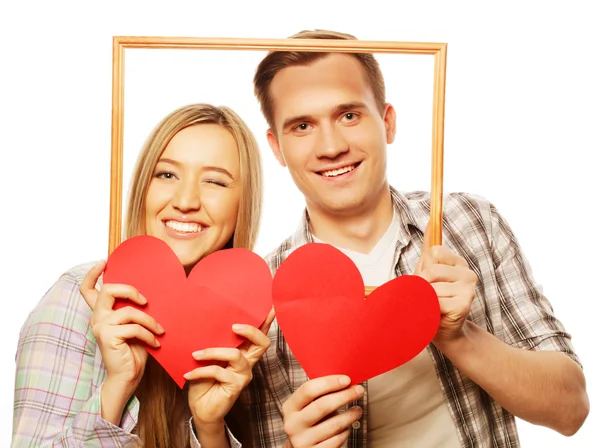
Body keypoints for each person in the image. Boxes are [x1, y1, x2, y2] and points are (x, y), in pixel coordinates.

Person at [239, 30, 590, 447]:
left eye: (349, 115)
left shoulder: (471, 222)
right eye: (302, 126)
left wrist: (460, 337)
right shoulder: (260, 297)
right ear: (277, 148)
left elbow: (571, 410)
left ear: (387, 122)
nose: (331, 146)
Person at [12, 103, 273, 448]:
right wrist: (118, 385)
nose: (185, 200)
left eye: (214, 181)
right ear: (142, 188)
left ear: (244, 204)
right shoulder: (77, 298)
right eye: (166, 175)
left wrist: (210, 427)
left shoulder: (251, 328)